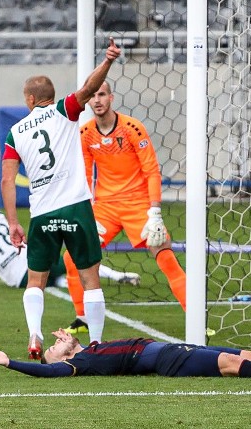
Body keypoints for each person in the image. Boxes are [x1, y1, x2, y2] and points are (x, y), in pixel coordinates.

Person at [1, 38, 122, 359]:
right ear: (51, 97)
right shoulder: (63, 110)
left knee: (36, 281)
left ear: (29, 99)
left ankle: (34, 334)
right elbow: (88, 87)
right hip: (76, 208)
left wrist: (13, 222)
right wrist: (108, 60)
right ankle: (95, 343)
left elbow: (7, 180)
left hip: (42, 214)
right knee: (90, 279)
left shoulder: (16, 131)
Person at [63, 80, 187, 335]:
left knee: (164, 254)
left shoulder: (132, 128)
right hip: (104, 208)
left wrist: (154, 213)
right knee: (72, 256)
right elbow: (85, 175)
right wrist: (86, 211)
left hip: (137, 205)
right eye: (93, 96)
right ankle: (83, 318)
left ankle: (195, 317)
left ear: (111, 98)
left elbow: (151, 171)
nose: (97, 100)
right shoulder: (85, 133)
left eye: (102, 95)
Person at [0, 186, 138, 289]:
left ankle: (69, 285)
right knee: (75, 265)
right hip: (37, 259)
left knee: (54, 282)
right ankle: (117, 276)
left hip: (20, 278)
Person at [0, 328, 251, 380]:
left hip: (172, 348)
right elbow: (48, 371)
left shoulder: (90, 346)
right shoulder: (79, 363)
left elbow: (78, 329)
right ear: (61, 358)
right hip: (166, 361)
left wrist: (72, 336)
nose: (57, 337)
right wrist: (12, 362)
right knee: (231, 365)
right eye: (53, 345)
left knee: (247, 352)